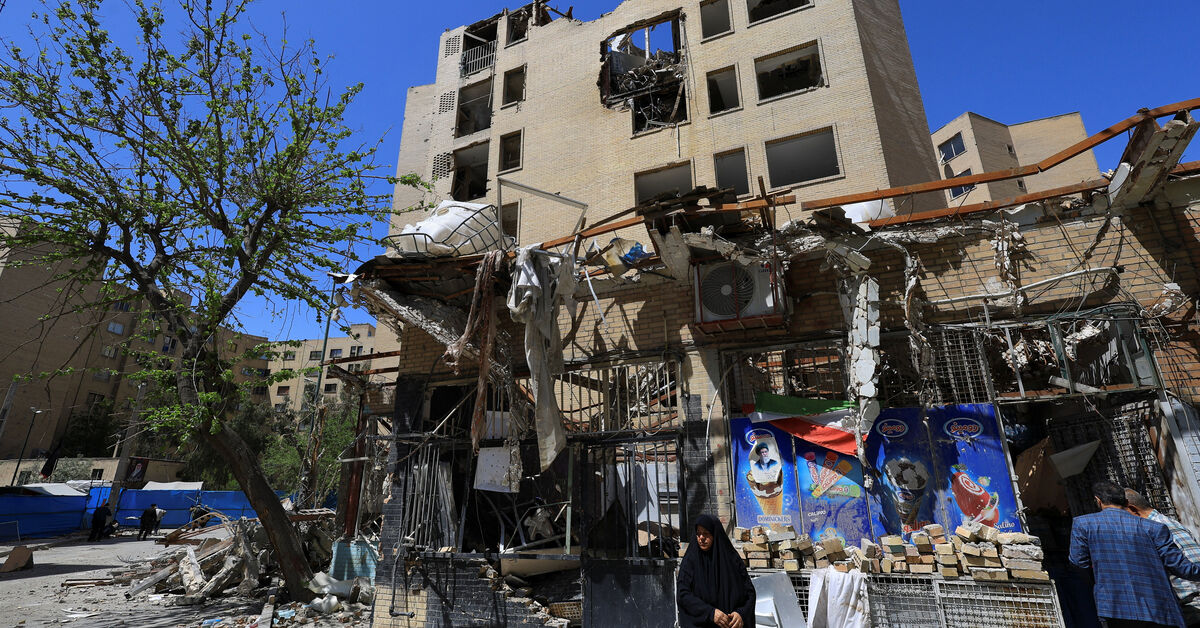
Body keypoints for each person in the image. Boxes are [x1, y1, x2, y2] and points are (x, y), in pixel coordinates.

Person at [1069, 481, 1200, 627]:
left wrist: (1102, 580)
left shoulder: (1083, 524)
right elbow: (1180, 567)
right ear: (1126, 502)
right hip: (1159, 608)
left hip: (1114, 608)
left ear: (1098, 501)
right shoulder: (1154, 528)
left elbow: (1078, 563)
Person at [1127, 489, 1200, 627]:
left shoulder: (1157, 529)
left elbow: (1190, 568)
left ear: (1133, 509)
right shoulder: (1167, 522)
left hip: (1192, 607)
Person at [677, 514, 756, 628]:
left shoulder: (732, 560)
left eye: (706, 533)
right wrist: (710, 613)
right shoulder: (691, 561)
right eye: (698, 534)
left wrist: (741, 614)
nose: (701, 538)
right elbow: (683, 595)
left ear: (715, 534)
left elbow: (750, 593)